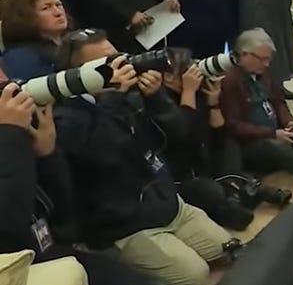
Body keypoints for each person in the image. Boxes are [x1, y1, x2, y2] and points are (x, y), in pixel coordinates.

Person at [53, 29, 236, 285]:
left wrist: (156, 98)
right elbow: (106, 155)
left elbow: (177, 137)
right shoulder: (65, 118)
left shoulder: (130, 97)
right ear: (78, 74)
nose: (120, 67)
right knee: (195, 275)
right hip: (126, 226)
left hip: (168, 205)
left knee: (226, 249)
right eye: (107, 64)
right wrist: (111, 99)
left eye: (118, 57)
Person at [0, 78, 156, 285]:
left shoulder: (14, 139)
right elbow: (10, 232)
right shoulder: (10, 139)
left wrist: (47, 155)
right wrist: (10, 136)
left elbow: (62, 213)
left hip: (51, 248)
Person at [161, 51, 255, 231]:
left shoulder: (195, 93)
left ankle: (234, 192)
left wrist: (213, 101)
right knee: (209, 190)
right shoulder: (161, 101)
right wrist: (188, 91)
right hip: (181, 176)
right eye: (186, 69)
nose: (194, 73)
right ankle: (236, 193)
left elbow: (219, 134)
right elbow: (184, 136)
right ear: (168, 77)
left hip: (202, 163)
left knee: (230, 145)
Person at [219, 28, 293, 182]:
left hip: (276, 133)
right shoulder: (229, 81)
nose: (266, 64)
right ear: (244, 55)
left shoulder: (264, 73)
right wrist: (272, 134)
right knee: (277, 150)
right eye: (262, 59)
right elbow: (234, 126)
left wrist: (289, 122)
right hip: (252, 143)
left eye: (268, 59)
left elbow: (279, 102)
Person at [0, 0, 69, 80]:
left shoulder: (73, 43)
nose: (58, 12)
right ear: (24, 16)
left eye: (58, 5)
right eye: (46, 8)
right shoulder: (21, 58)